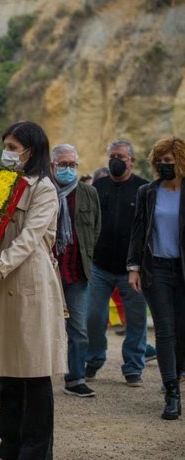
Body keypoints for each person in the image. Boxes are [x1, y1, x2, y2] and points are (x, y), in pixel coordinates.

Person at [0, 121, 67, 459]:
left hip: (28, 284)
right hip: (0, 281)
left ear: (31, 151)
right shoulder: (4, 185)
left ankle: (36, 450)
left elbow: (29, 240)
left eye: (13, 147)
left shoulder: (44, 188)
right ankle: (10, 444)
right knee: (8, 369)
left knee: (34, 373)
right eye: (5, 145)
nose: (7, 153)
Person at [127, 136, 185, 420]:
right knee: (164, 330)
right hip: (156, 268)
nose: (164, 166)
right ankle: (171, 391)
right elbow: (138, 231)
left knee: (181, 330)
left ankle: (177, 372)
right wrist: (134, 267)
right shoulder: (148, 192)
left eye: (169, 162)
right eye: (160, 162)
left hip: (182, 269)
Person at [86, 140, 149, 386]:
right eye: (112, 155)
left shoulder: (144, 189)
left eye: (121, 156)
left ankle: (133, 367)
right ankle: (93, 359)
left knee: (136, 320)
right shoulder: (98, 187)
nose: (115, 160)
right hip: (99, 267)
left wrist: (141, 265)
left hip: (132, 270)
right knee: (93, 316)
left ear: (131, 161)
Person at [51, 144, 101, 397]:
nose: (68, 169)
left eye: (72, 164)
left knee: (78, 328)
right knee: (42, 327)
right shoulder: (43, 190)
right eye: (63, 164)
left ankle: (75, 378)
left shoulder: (88, 193)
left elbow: (95, 228)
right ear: (52, 166)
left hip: (77, 271)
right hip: (48, 273)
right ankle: (34, 377)